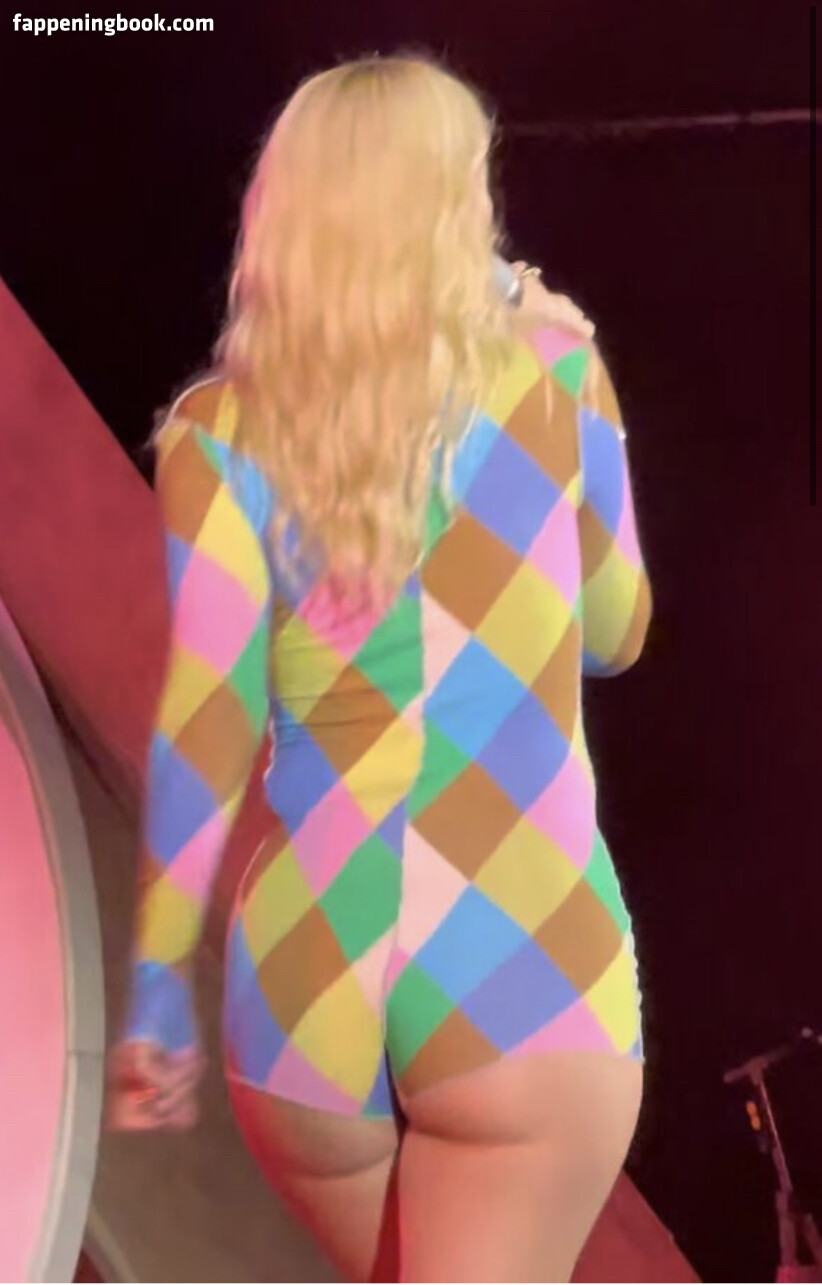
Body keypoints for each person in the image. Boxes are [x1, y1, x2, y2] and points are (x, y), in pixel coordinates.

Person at [108, 53, 652, 1284]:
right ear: (456, 201)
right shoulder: (558, 374)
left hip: (306, 975)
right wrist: (582, 394)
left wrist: (156, 976)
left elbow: (208, 717)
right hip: (515, 957)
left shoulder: (214, 432)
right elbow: (619, 628)